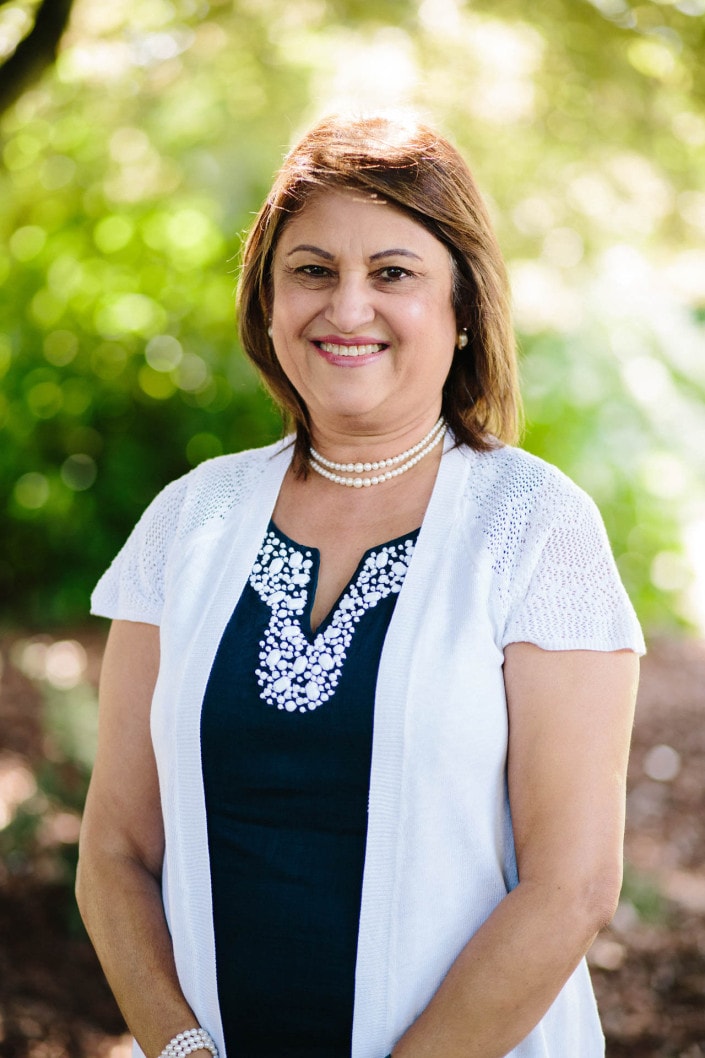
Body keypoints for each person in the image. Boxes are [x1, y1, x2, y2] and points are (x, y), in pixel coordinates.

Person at [76, 112, 645, 1058]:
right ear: (266, 302)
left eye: (392, 273)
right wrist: (179, 1049)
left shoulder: (535, 526)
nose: (346, 308)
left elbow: (572, 886)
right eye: (311, 270)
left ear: (462, 310)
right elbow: (114, 851)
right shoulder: (190, 519)